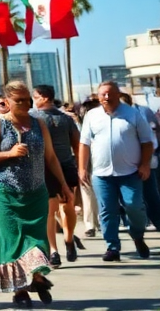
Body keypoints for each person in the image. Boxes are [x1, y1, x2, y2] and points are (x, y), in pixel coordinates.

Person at [0, 81, 69, 307]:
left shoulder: (38, 124)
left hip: (36, 192)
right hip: (4, 191)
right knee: (13, 241)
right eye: (19, 101)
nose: (26, 104)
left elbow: (52, 158)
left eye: (28, 99)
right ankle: (21, 290)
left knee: (36, 238)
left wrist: (63, 185)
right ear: (6, 102)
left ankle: (35, 276)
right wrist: (9, 154)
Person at [78, 80, 154, 262]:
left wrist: (145, 164)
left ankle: (137, 235)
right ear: (97, 96)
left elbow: (147, 142)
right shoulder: (92, 115)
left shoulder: (133, 114)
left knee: (134, 206)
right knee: (107, 210)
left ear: (118, 94)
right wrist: (81, 168)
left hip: (130, 172)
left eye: (110, 93)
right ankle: (112, 247)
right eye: (102, 94)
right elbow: (84, 143)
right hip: (102, 174)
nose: (106, 97)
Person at [31, 84, 82, 264]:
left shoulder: (62, 119)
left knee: (67, 207)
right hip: (46, 169)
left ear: (44, 98)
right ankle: (53, 250)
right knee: (50, 210)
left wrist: (80, 167)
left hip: (65, 165)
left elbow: (77, 144)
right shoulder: (34, 118)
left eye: (35, 97)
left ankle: (68, 239)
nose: (33, 101)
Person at [120, 92, 160, 233]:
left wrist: (146, 161)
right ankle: (137, 224)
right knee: (132, 199)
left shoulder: (141, 113)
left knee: (150, 194)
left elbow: (152, 138)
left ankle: (155, 221)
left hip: (146, 162)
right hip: (125, 166)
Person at [75, 97, 102, 237]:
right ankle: (90, 224)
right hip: (86, 163)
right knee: (88, 194)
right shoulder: (78, 126)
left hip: (100, 162)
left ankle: (96, 223)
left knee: (94, 194)